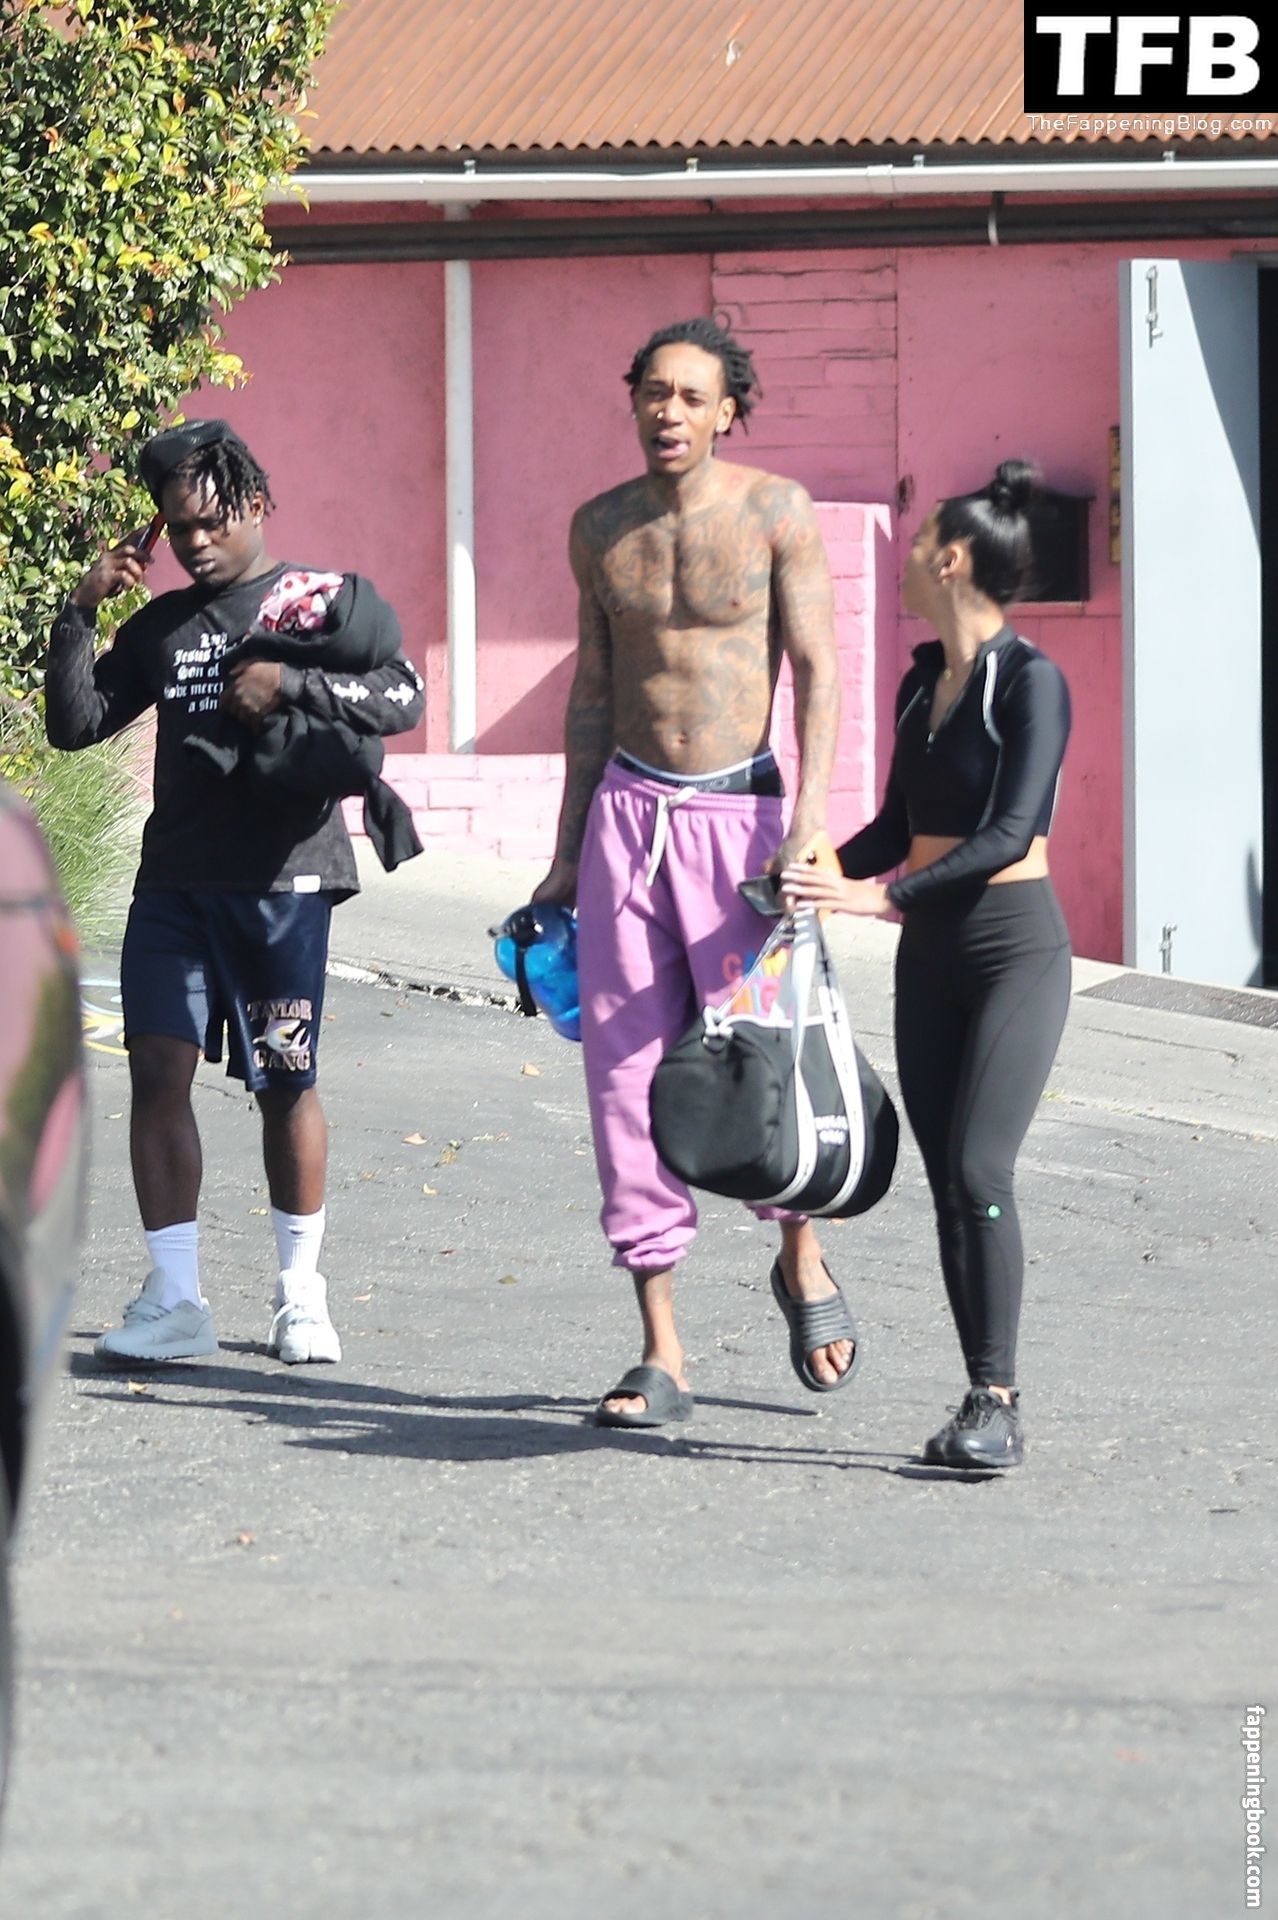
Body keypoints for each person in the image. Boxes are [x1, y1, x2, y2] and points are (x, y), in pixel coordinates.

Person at [45, 419, 424, 1366]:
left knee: (284, 1083)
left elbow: (404, 697)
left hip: (282, 886)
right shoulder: (162, 627)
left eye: (213, 521)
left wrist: (291, 683)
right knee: (155, 1075)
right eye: (179, 528)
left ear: (256, 503)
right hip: (174, 887)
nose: (197, 541)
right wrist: (81, 610)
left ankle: (301, 1297)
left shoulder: (316, 603)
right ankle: (176, 1300)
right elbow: (76, 724)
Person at [532, 316, 850, 1428]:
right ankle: (661, 1347)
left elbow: (817, 670)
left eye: (690, 396)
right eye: (652, 392)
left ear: (728, 413)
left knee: (764, 1053)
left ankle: (799, 1253)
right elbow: (591, 692)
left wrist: (809, 822)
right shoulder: (601, 528)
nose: (668, 411)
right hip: (628, 817)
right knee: (623, 1073)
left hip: (741, 820)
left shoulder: (776, 512)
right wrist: (566, 852)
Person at [782, 460, 1071, 1470]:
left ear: (951, 560)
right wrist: (811, 871)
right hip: (932, 960)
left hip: (1012, 950)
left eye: (917, 542)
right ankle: (978, 1394)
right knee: (949, 1178)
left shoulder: (1030, 682)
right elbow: (895, 829)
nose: (903, 556)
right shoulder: (919, 684)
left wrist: (885, 899)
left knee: (983, 1168)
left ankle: (1000, 1401)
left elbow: (1010, 831)